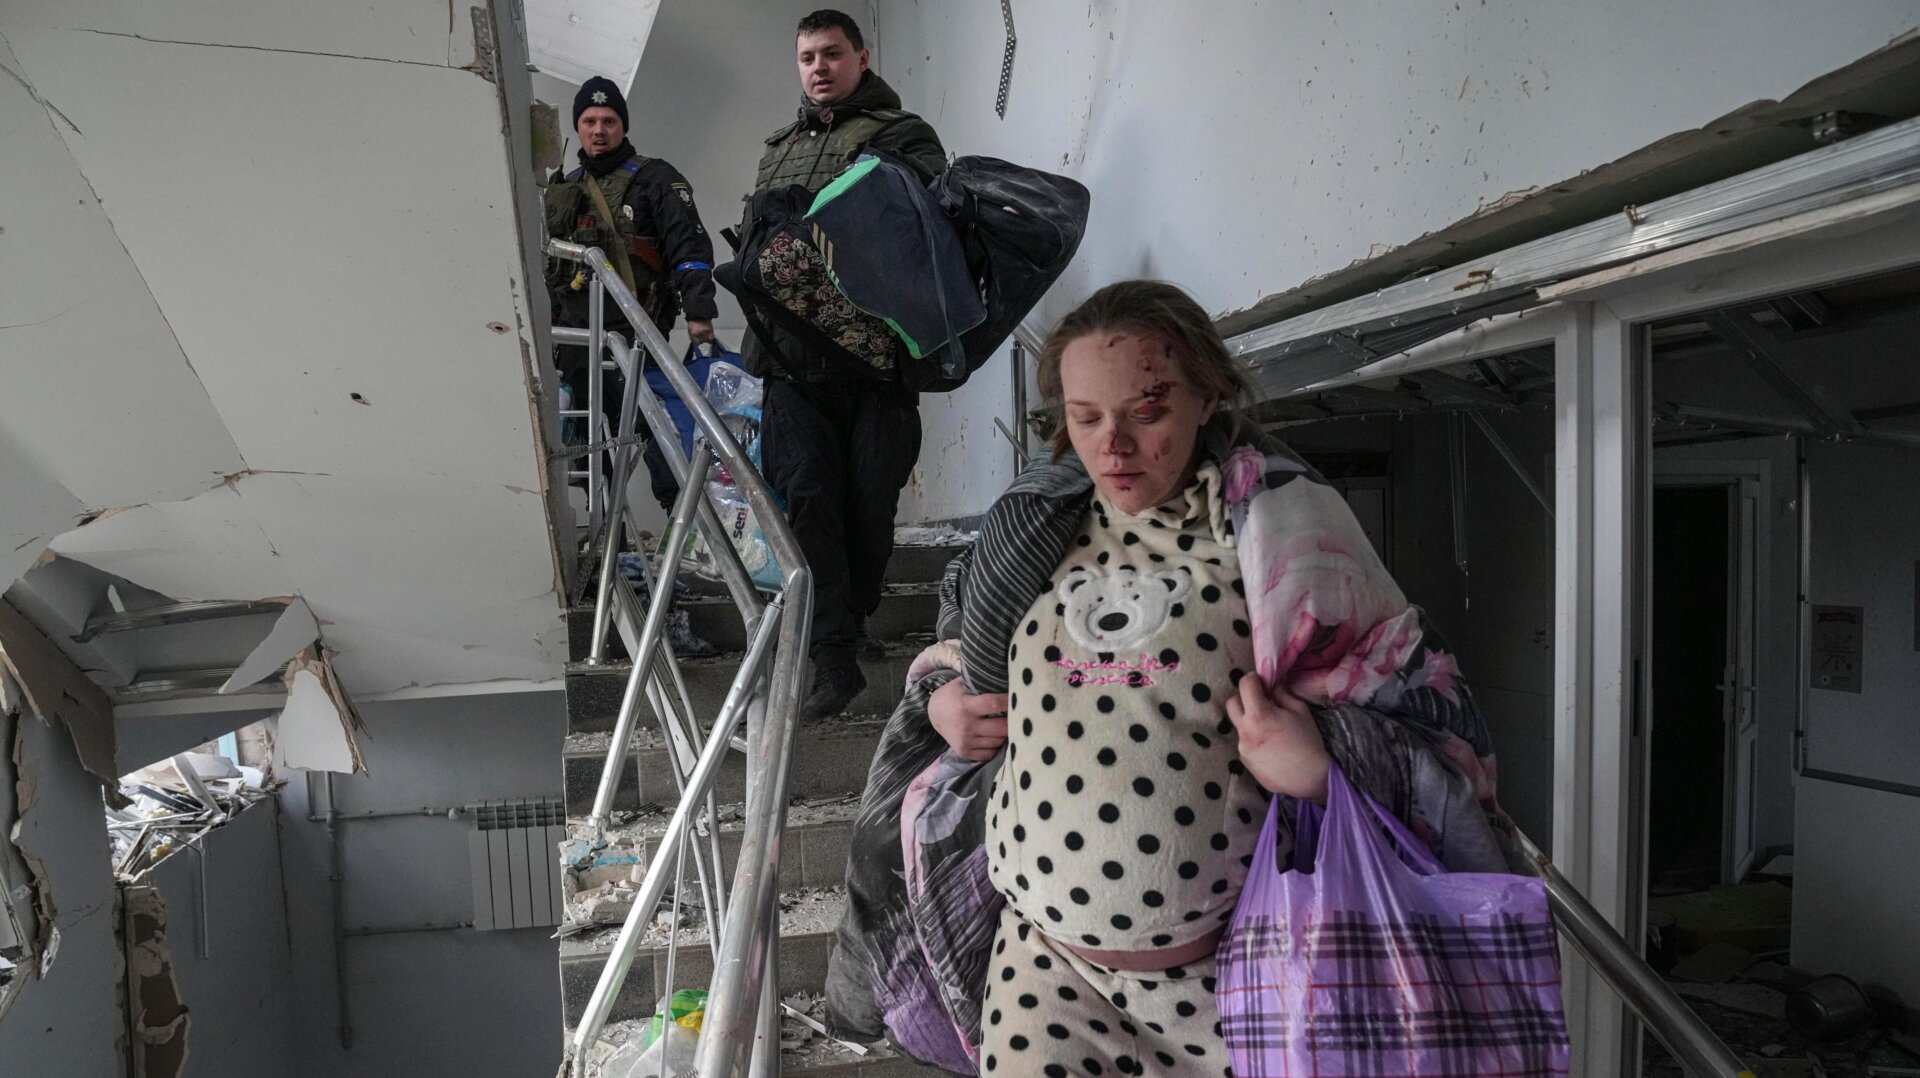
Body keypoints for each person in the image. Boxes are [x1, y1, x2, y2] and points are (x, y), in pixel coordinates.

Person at [843, 280, 1514, 1074]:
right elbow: (958, 651)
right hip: (1043, 972)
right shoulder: (1030, 527)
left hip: (1235, 977)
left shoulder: (1286, 533)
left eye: (1147, 411)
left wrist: (1322, 767)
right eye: (1084, 418)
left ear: (1208, 396)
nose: (1112, 447)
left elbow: (1421, 710)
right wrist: (944, 701)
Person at [744, 9, 948, 719]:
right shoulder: (777, 149)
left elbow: (918, 226)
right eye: (807, 57)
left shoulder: (904, 134)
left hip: (875, 359)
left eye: (832, 54)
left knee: (868, 503)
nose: (819, 68)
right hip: (790, 359)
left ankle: (852, 617)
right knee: (807, 502)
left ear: (862, 57)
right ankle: (831, 658)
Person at [546, 74, 720, 657]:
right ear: (577, 128)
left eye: (609, 121)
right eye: (589, 122)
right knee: (589, 470)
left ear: (623, 125)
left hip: (634, 345)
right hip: (575, 350)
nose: (599, 130)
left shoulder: (655, 180)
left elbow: (689, 248)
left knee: (667, 460)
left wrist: (700, 316)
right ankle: (612, 567)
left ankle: (690, 563)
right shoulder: (563, 189)